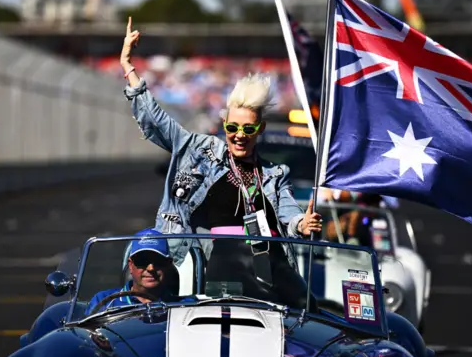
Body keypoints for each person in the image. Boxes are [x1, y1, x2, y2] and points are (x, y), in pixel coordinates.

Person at [119, 18, 322, 308]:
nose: (239, 136)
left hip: (267, 265)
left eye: (248, 129)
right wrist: (128, 67)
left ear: (260, 129)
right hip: (210, 261)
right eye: (233, 128)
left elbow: (288, 211)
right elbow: (157, 121)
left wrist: (302, 223)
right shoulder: (199, 150)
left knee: (309, 311)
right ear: (224, 124)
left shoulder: (274, 173)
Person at [85, 233, 179, 315]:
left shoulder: (184, 307)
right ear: (130, 265)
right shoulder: (103, 301)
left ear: (168, 265)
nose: (151, 268)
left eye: (158, 261)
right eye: (142, 261)